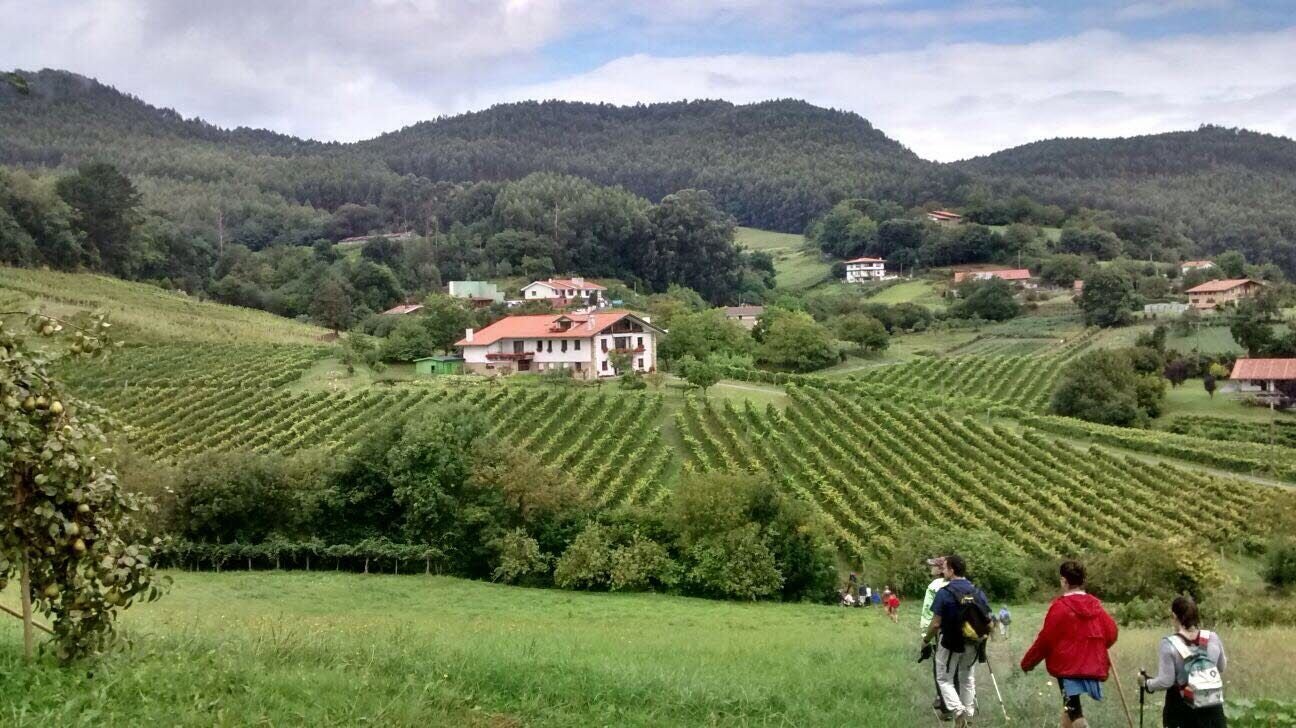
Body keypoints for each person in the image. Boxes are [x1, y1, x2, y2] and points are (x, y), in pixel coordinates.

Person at [1021, 560, 1119, 728]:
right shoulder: (1096, 607)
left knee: (1075, 712)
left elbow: (1046, 639)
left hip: (1067, 668)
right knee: (1070, 708)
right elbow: (1111, 633)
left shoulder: (1060, 607)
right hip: (1091, 665)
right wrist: (1093, 648)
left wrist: (1028, 662)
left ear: (1064, 581)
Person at [923, 554, 992, 727]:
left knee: (944, 679)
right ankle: (967, 715)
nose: (943, 571)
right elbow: (988, 619)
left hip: (950, 643)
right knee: (967, 677)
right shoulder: (977, 592)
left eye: (945, 568)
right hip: (972, 643)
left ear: (952, 570)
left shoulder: (945, 592)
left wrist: (926, 640)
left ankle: (958, 710)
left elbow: (936, 623)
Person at [1138, 596, 1227, 728]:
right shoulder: (1212, 637)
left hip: (1182, 710)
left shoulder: (1168, 644)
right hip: (1212, 707)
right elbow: (1221, 666)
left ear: (1174, 616)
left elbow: (1166, 681)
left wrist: (1146, 684)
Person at [919, 556, 951, 719]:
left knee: (939, 667)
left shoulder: (935, 586)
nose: (930, 568)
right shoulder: (953, 584)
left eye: (933, 566)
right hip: (954, 631)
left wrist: (926, 636)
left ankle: (944, 704)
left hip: (937, 631)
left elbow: (930, 611)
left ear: (940, 569)